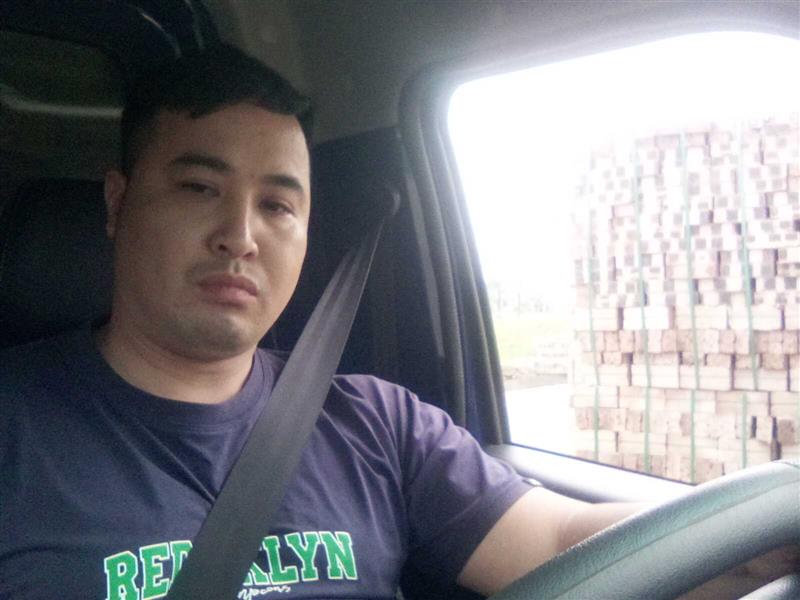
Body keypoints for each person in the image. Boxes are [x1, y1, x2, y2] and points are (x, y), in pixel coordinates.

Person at [0, 44, 794, 600]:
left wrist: (766, 526)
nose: (240, 235)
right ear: (118, 203)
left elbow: (565, 546)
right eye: (199, 188)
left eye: (278, 205)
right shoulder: (18, 429)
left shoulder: (378, 425)